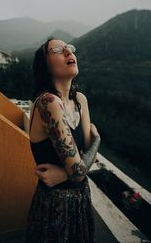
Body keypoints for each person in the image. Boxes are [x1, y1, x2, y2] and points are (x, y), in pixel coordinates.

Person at [25, 36, 101, 243]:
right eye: (58, 49)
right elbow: (80, 169)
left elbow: (87, 160)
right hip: (54, 207)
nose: (69, 52)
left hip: (81, 201)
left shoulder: (80, 100)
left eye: (70, 48)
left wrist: (63, 174)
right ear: (45, 65)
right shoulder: (47, 102)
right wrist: (97, 140)